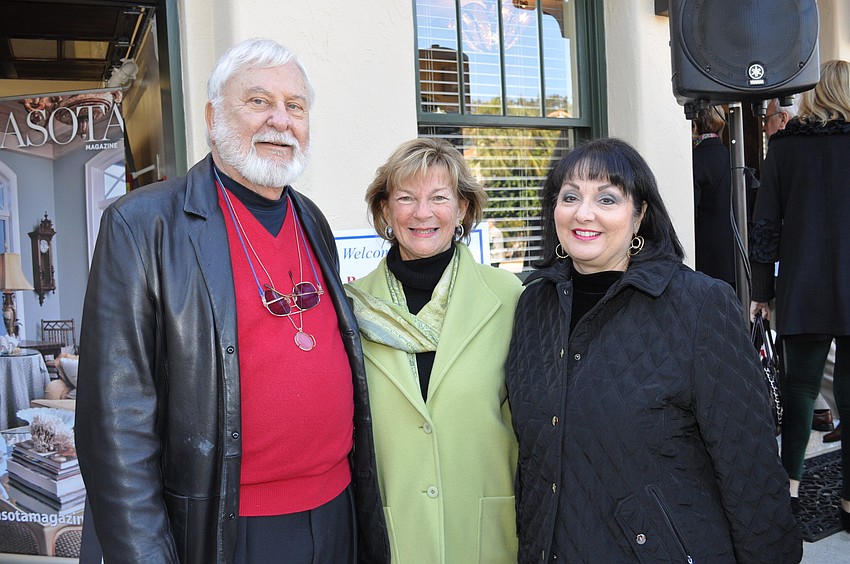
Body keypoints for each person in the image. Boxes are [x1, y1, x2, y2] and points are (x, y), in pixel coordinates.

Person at [75, 38, 384, 563]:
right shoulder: (143, 225)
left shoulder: (311, 218)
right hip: (225, 528)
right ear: (213, 115)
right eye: (259, 101)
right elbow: (115, 425)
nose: (281, 121)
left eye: (296, 106)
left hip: (336, 513)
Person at [506, 137, 802, 562]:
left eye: (607, 198)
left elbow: (749, 468)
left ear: (640, 214)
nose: (582, 213)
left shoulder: (699, 305)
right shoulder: (533, 304)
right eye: (569, 196)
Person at [345, 138, 522, 563]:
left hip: (486, 531)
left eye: (439, 198)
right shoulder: (350, 307)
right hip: (395, 532)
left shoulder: (508, 297)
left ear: (462, 209)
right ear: (385, 210)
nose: (423, 213)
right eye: (406, 198)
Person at [750, 59, 850, 531]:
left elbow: (765, 225)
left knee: (801, 392)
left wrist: (761, 290)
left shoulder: (783, 149)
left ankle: (789, 491)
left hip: (804, 285)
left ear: (814, 95)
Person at [691, 104, 736, 287]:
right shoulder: (735, 157)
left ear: (695, 123)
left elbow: (692, 209)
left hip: (707, 256)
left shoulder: (695, 159)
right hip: (735, 253)